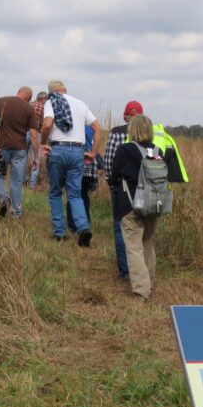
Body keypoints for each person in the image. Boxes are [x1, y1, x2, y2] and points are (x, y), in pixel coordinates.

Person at [40, 80, 103, 245]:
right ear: (65, 90)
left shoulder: (51, 101)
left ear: (51, 91)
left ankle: (60, 232)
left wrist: (43, 142)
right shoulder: (80, 104)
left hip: (58, 149)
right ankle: (83, 227)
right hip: (78, 151)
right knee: (75, 193)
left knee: (55, 192)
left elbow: (47, 124)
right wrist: (94, 153)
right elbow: (98, 128)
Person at [109, 114, 163, 299]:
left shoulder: (125, 150)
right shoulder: (156, 151)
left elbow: (114, 174)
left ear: (132, 129)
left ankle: (141, 289)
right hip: (153, 204)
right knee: (148, 244)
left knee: (134, 247)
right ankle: (150, 282)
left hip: (131, 205)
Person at [102, 100, 143, 279]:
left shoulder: (117, 133)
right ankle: (140, 268)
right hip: (145, 189)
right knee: (141, 228)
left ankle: (125, 271)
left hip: (121, 187)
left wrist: (111, 182)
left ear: (125, 116)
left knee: (120, 226)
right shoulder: (151, 135)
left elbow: (109, 160)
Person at [0, 86, 39, 218]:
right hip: (19, 148)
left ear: (19, 92)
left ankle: (2, 200)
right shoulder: (29, 108)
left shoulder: (1, 101)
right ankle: (16, 212)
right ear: (28, 97)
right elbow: (34, 135)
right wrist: (36, 157)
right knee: (16, 180)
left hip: (1, 146)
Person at [65, 124, 99, 234]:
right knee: (84, 194)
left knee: (72, 194)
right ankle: (86, 222)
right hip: (89, 160)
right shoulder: (90, 128)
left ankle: (73, 224)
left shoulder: (72, 127)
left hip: (75, 158)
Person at [28, 91, 48, 189]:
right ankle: (32, 185)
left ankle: (22, 181)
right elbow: (45, 124)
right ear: (43, 99)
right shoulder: (43, 107)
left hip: (23, 133)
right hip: (36, 133)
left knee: (21, 158)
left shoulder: (28, 104)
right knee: (36, 159)